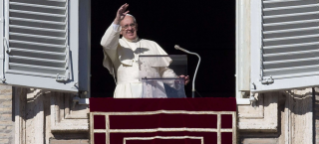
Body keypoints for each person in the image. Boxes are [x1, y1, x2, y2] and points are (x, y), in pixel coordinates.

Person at [100, 3, 189, 98]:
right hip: (128, 94)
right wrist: (117, 20)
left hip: (153, 93)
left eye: (132, 25)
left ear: (136, 27)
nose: (129, 28)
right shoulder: (117, 45)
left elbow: (163, 70)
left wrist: (176, 81)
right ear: (120, 30)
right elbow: (105, 43)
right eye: (125, 26)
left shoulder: (152, 45)